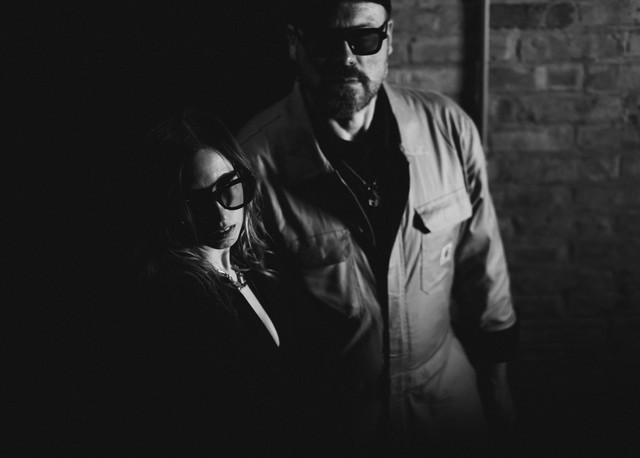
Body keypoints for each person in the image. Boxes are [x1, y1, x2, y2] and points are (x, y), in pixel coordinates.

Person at [237, 0, 518, 455]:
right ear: (294, 43)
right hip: (334, 420)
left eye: (364, 38)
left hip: (447, 405)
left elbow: (482, 263)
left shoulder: (448, 129)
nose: (346, 57)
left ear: (388, 39)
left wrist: (497, 386)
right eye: (326, 40)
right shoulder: (252, 163)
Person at [123, 110, 314, 456]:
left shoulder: (258, 269)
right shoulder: (174, 304)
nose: (221, 215)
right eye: (195, 202)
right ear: (170, 209)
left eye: (228, 188)